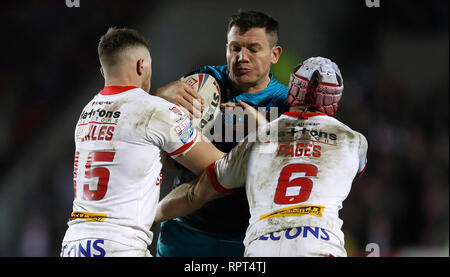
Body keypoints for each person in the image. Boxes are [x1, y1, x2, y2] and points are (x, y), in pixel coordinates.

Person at [155, 57, 369, 257]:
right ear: (335, 100)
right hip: (320, 245)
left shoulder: (258, 139)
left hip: (263, 248)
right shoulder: (354, 141)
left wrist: (148, 215)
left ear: (292, 90)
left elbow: (196, 194)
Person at [60, 27, 224, 257]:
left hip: (73, 245)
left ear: (102, 70)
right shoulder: (156, 111)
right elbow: (221, 168)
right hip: (120, 246)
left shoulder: (86, 113)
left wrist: (157, 98)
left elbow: (133, 139)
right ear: (141, 66)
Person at [154, 10, 287, 257]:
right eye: (235, 48)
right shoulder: (204, 81)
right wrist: (158, 97)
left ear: (275, 54)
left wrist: (263, 130)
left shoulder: (284, 103)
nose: (241, 57)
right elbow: (162, 148)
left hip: (247, 238)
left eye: (253, 49)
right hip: (185, 231)